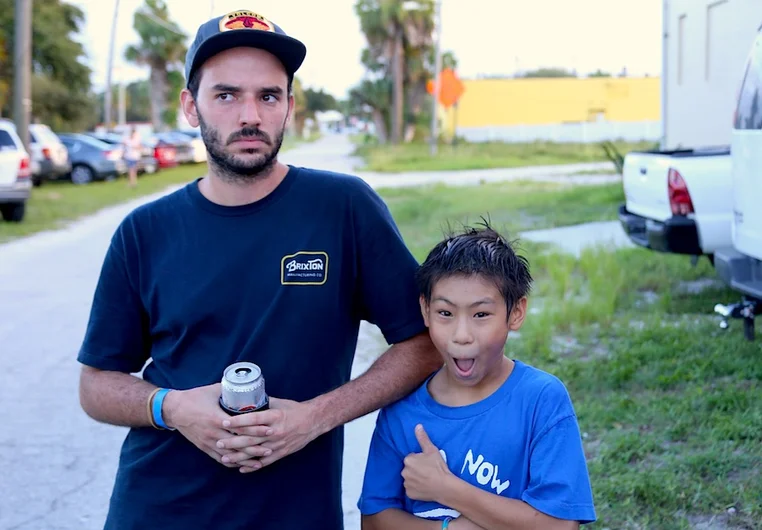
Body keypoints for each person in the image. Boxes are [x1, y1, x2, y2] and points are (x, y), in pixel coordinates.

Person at [76, 9, 441, 530]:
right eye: (226, 95)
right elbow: (95, 385)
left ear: (289, 106)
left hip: (293, 513)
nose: (250, 115)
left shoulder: (343, 208)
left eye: (268, 96)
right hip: (157, 510)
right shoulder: (145, 231)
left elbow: (423, 342)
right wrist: (173, 408)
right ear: (190, 106)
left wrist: (313, 418)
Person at [358, 222, 597, 529]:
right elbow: (373, 519)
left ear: (516, 313)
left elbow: (561, 525)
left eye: (481, 314)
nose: (461, 335)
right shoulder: (401, 411)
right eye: (445, 313)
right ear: (425, 310)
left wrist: (448, 489)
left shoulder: (540, 399)